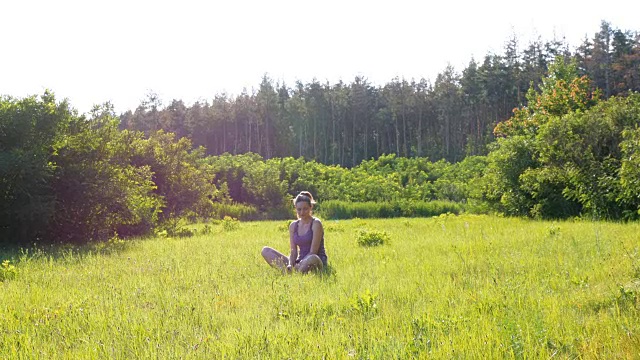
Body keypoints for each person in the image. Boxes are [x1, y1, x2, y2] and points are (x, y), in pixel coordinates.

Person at [261, 191, 327, 273]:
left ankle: (297, 271)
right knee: (265, 250)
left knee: (312, 258)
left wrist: (301, 263)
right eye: (299, 209)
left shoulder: (316, 223)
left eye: (305, 209)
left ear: (311, 207)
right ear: (295, 208)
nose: (302, 212)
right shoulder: (293, 225)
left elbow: (313, 251)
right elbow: (293, 251)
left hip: (314, 260)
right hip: (299, 261)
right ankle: (288, 272)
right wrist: (290, 264)